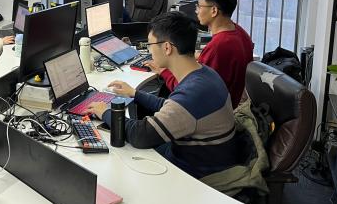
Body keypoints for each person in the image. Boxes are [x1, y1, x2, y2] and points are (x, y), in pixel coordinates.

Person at [85, 12, 239, 179]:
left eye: (150, 44)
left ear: (167, 48)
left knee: (118, 163)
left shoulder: (192, 95)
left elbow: (140, 136)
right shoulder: (204, 74)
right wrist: (135, 94)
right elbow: (171, 107)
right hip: (209, 158)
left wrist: (105, 112)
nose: (149, 50)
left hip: (199, 175)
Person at [145, 0, 253, 108]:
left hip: (211, 110)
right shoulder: (239, 32)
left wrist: (163, 71)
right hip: (230, 103)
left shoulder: (218, 46)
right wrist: (199, 55)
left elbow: (190, 90)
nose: (196, 11)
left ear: (214, 11)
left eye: (199, 6)